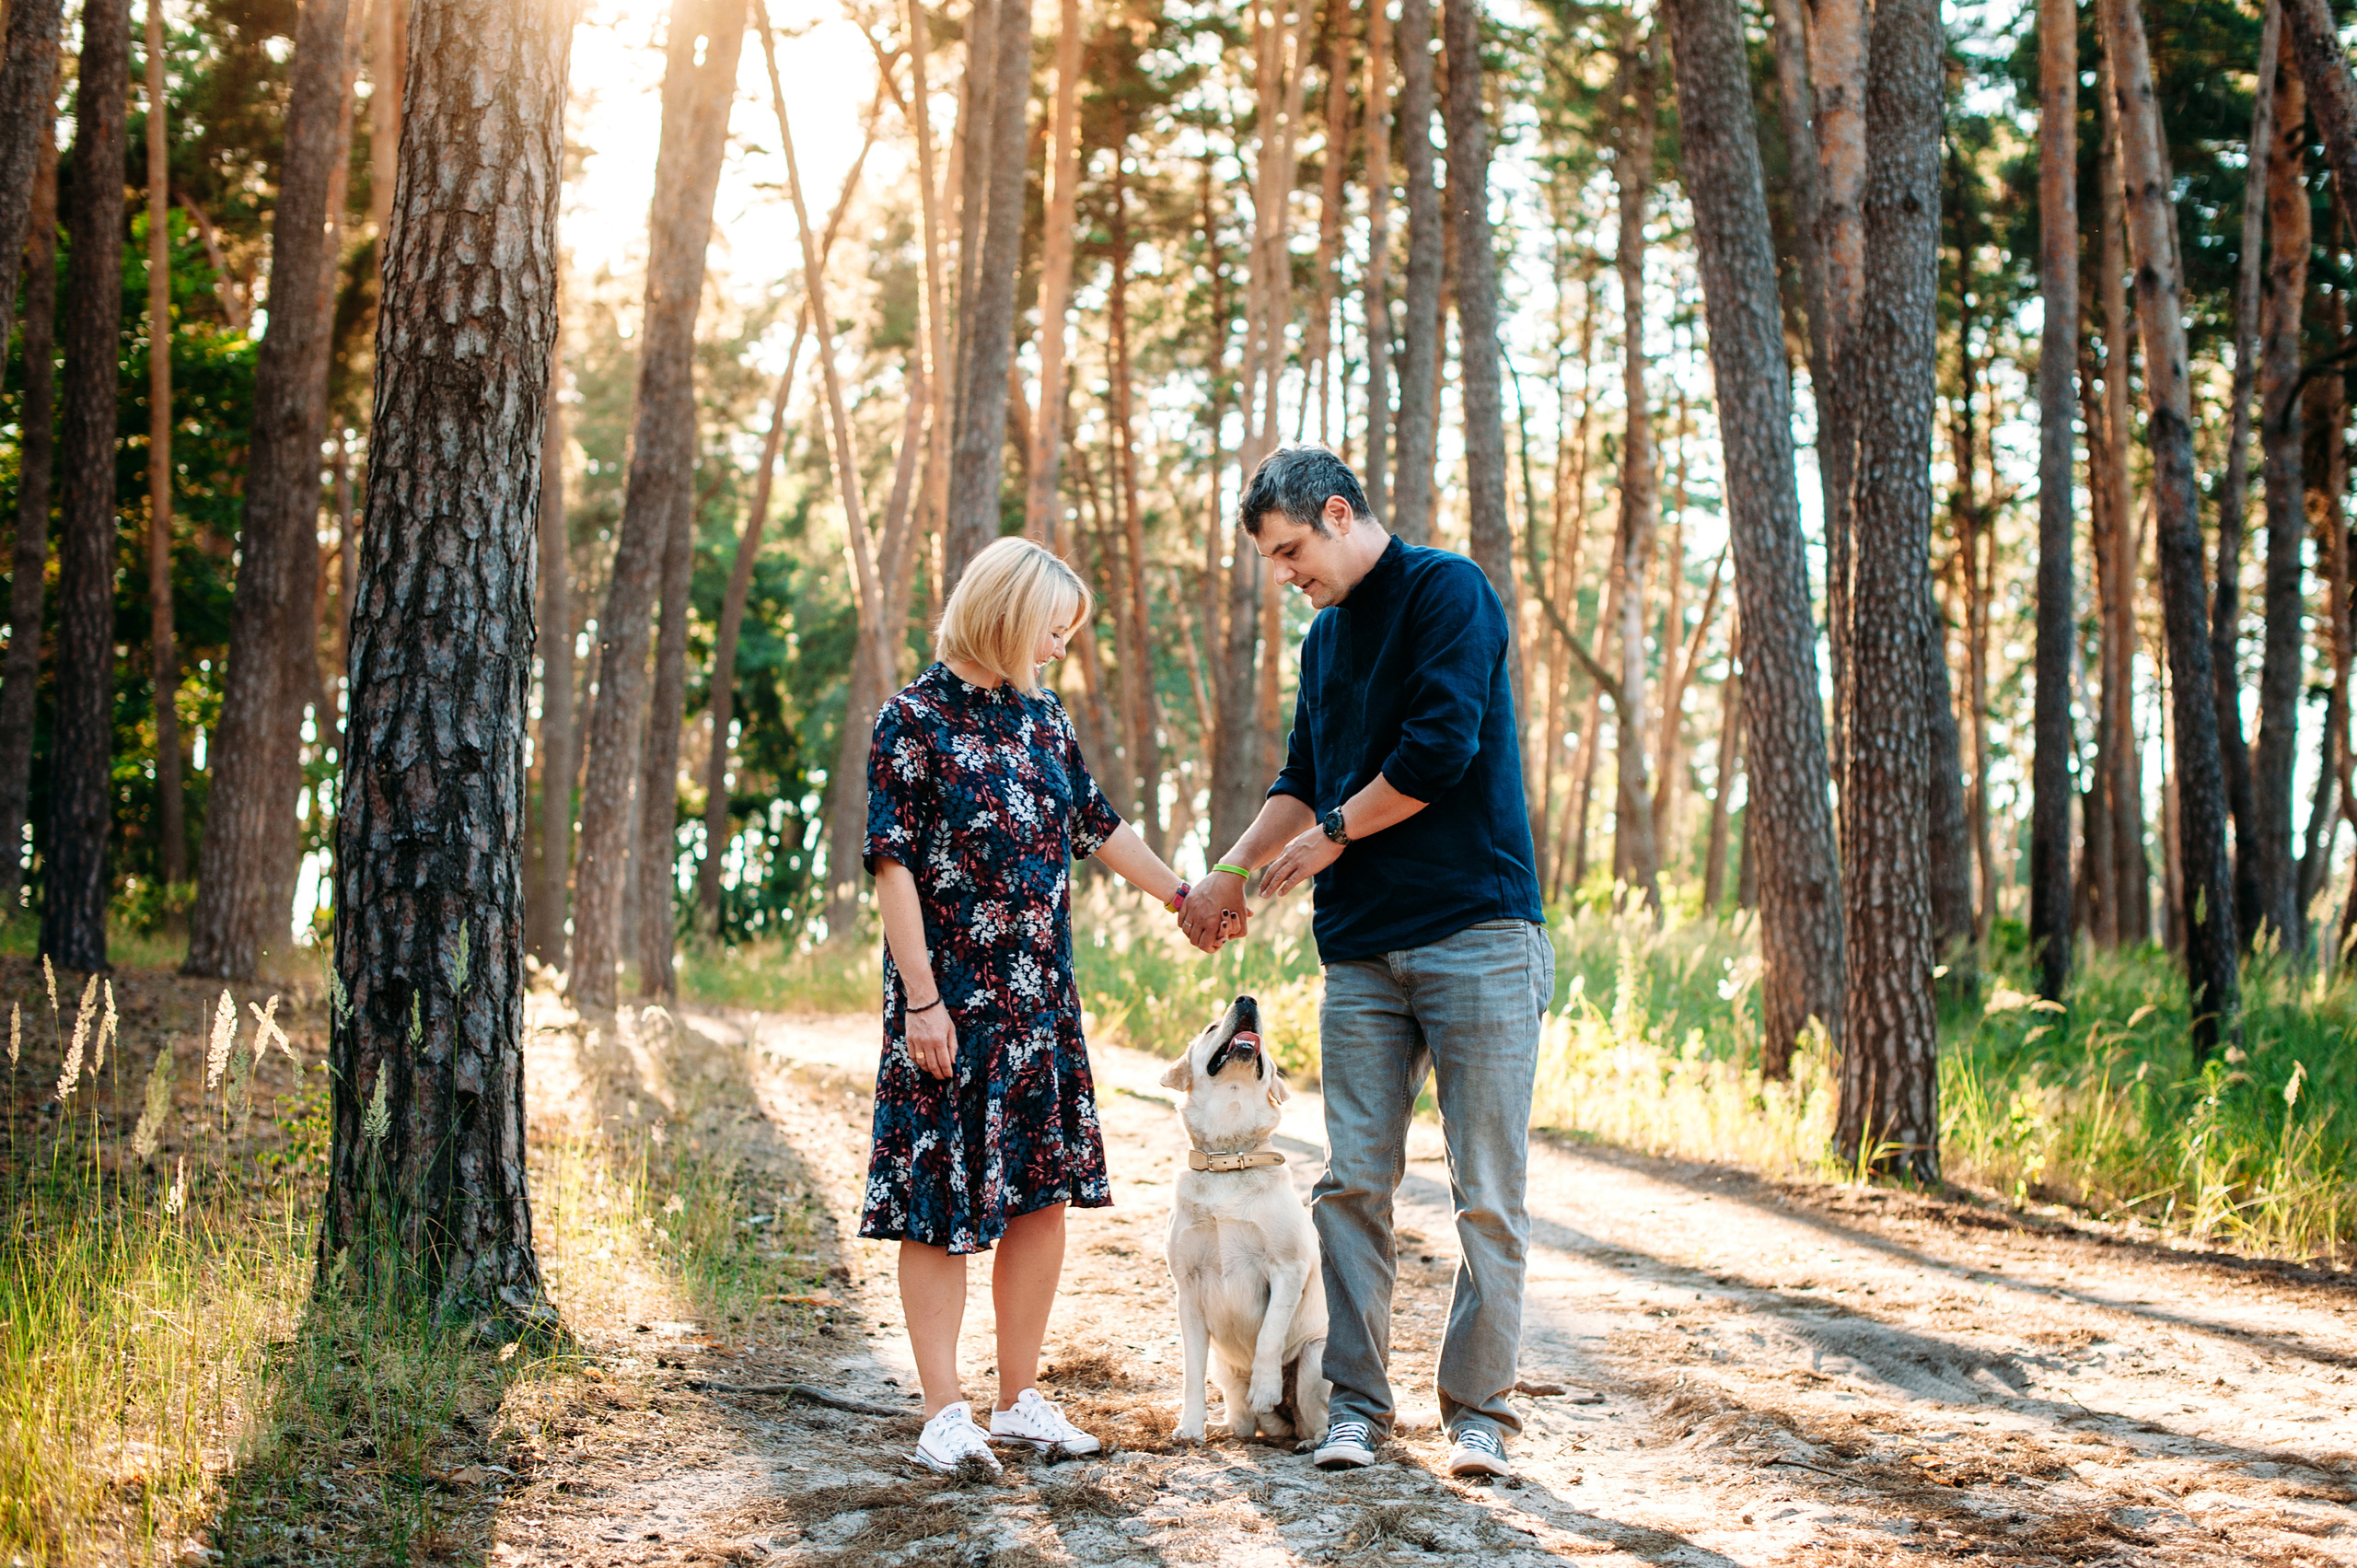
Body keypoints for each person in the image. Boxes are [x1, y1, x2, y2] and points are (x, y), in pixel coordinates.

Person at [1179, 445, 1550, 1481]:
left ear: (1339, 513)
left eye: (1295, 551)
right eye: (1276, 561)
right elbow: (1300, 780)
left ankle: (1477, 1415)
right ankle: (1356, 1409)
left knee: (1486, 1189)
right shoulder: (1323, 640)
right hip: (1359, 954)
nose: (1290, 575)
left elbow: (1440, 748)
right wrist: (1229, 873)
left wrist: (1336, 831)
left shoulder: (1448, 591)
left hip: (1477, 929)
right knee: (1350, 1186)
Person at [863, 535, 1199, 1474]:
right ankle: (944, 1412)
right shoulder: (912, 720)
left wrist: (1184, 900)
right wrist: (921, 1001)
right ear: (1009, 616)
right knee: (940, 1203)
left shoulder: (1043, 721)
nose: (1059, 646)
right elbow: (890, 867)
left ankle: (1018, 1400)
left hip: (1040, 1004)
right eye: (1053, 628)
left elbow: (1101, 825)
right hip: (948, 1007)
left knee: (1038, 1197)